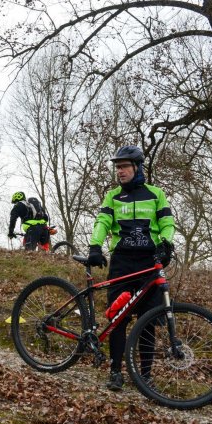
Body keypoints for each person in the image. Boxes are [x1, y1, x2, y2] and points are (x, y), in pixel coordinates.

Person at [86, 145, 175, 391]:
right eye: (117, 167)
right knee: (118, 318)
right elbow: (103, 221)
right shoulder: (112, 196)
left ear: (137, 168)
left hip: (148, 263)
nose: (120, 171)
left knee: (148, 320)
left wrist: (166, 243)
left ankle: (145, 375)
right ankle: (115, 371)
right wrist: (95, 246)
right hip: (122, 263)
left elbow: (167, 222)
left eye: (124, 167)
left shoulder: (156, 194)